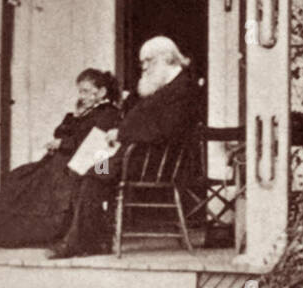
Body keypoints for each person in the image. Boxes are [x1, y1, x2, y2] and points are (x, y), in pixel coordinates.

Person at [50, 38, 203, 259]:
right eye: (143, 62)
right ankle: (94, 239)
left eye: (149, 61)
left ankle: (81, 242)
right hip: (131, 153)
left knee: (94, 175)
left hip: (151, 160)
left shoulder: (182, 88)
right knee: (83, 168)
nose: (144, 67)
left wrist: (121, 134)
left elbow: (166, 130)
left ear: (168, 58)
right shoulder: (161, 85)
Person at [0, 69, 121, 248]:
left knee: (36, 184)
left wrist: (63, 144)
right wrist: (74, 117)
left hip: (79, 165)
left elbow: (92, 143)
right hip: (57, 162)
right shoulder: (83, 112)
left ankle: (9, 235)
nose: (81, 96)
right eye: (80, 91)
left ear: (101, 92)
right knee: (17, 177)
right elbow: (60, 131)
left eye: (85, 91)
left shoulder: (108, 113)